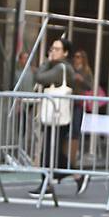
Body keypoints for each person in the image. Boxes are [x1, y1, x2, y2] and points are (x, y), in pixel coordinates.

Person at [29, 34, 77, 197]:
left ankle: (48, 183)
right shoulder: (60, 67)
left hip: (58, 117)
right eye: (52, 49)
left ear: (65, 53)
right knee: (52, 152)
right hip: (53, 116)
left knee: (49, 152)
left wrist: (46, 62)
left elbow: (39, 77)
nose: (53, 52)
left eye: (57, 49)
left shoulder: (60, 68)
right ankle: (76, 175)